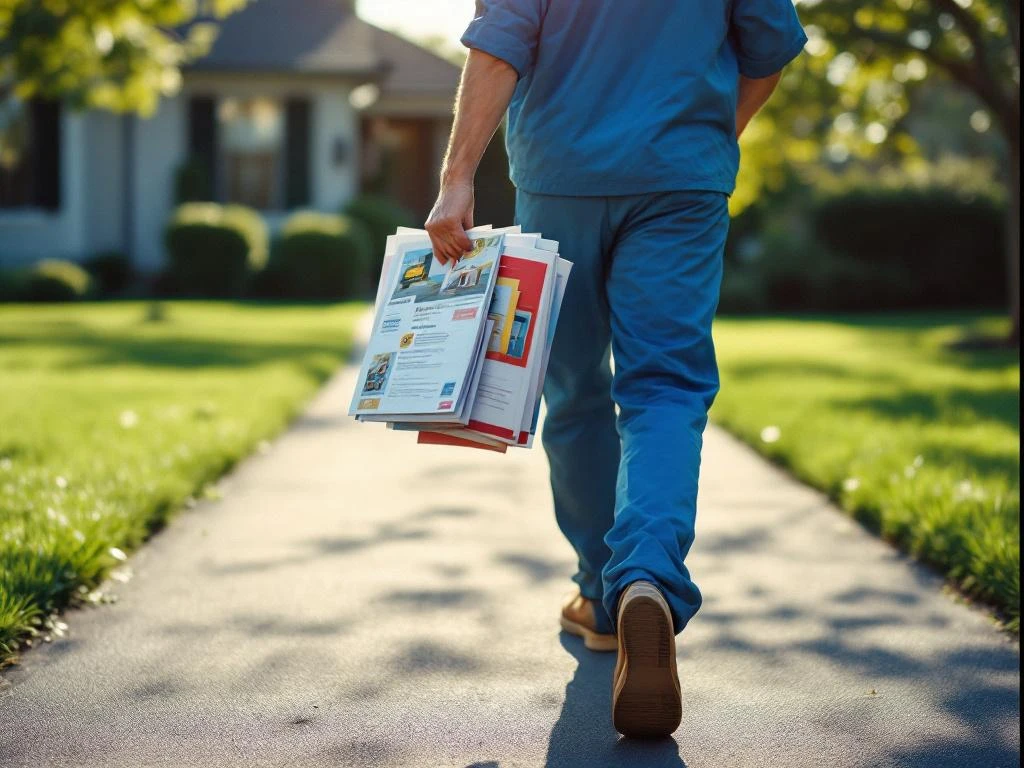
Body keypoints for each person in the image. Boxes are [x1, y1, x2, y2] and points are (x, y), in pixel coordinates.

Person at [425, 0, 806, 739]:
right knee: (665, 390)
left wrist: (456, 175)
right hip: (680, 179)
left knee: (573, 392)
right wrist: (706, 136)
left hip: (560, 174)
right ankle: (646, 579)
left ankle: (603, 596)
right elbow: (770, 49)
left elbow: (500, 44)